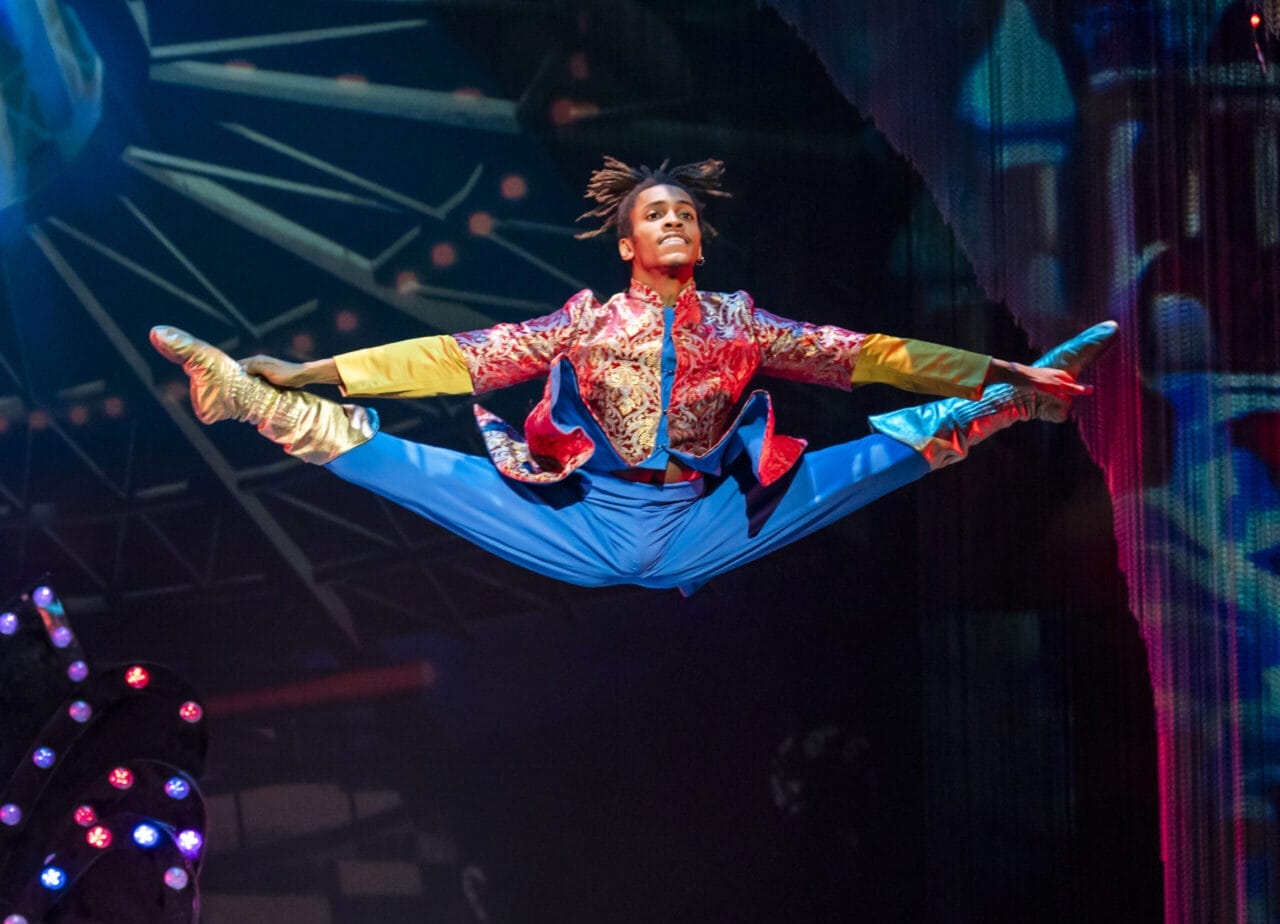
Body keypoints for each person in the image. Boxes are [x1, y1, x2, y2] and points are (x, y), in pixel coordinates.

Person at [149, 157, 1115, 594]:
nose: (676, 222)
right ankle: (247, 395)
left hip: (702, 524)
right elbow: (451, 361)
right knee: (409, 466)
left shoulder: (742, 325)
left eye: (688, 214)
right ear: (626, 243)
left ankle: (1012, 404)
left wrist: (1002, 362)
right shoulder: (581, 324)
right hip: (580, 520)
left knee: (874, 457)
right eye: (657, 213)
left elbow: (871, 357)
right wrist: (314, 367)